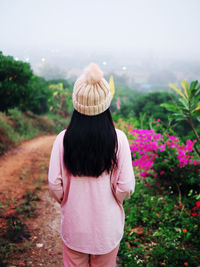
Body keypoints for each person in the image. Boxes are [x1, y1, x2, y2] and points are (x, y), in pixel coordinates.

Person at [48, 63, 135, 267]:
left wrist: (67, 200)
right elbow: (126, 186)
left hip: (74, 227)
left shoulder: (63, 139)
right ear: (106, 103)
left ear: (77, 101)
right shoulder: (119, 139)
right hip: (107, 228)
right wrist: (114, 200)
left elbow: (54, 184)